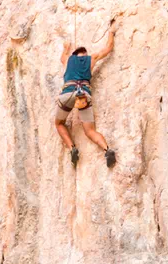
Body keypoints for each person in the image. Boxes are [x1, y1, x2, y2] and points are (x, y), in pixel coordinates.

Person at [55, 20, 117, 168]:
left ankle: (72, 148)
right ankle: (107, 150)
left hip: (67, 94)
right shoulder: (91, 59)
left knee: (59, 123)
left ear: (75, 54)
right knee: (90, 131)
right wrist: (111, 31)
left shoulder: (68, 59)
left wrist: (66, 48)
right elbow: (108, 48)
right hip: (83, 95)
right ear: (85, 54)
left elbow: (62, 57)